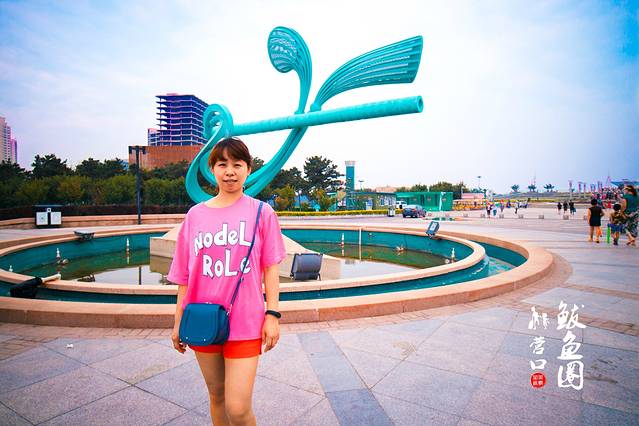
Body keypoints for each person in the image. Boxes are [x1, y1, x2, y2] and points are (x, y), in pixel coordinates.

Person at [168, 137, 286, 426]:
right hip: (202, 319)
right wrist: (177, 323)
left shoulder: (262, 213)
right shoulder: (195, 216)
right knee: (217, 396)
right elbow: (184, 277)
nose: (230, 171)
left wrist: (272, 315)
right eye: (222, 164)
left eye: (237, 164)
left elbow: (270, 268)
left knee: (238, 408)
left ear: (248, 169)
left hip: (245, 320)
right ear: (212, 170)